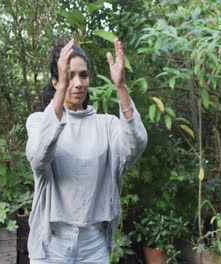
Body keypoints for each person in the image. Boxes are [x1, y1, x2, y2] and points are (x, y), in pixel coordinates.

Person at [25, 38, 147, 264]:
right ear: (55, 82)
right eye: (69, 76)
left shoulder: (106, 125)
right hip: (51, 245)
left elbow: (135, 145)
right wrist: (62, 89)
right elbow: (38, 157)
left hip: (94, 244)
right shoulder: (40, 122)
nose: (78, 83)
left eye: (83, 75)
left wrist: (121, 86)